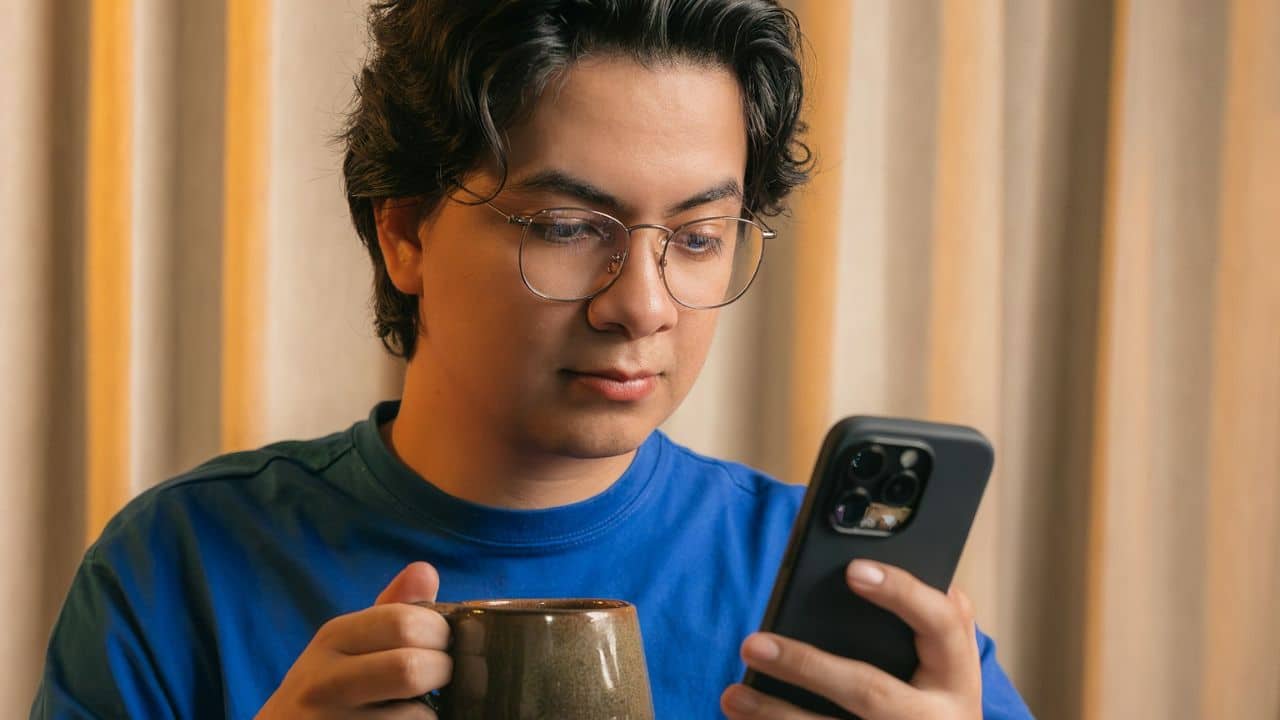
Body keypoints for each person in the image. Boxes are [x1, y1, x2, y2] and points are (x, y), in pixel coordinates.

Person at [33, 1, 1033, 718]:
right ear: (405, 234)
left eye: (696, 236)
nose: (640, 304)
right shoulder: (181, 567)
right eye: (565, 226)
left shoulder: (834, 601)